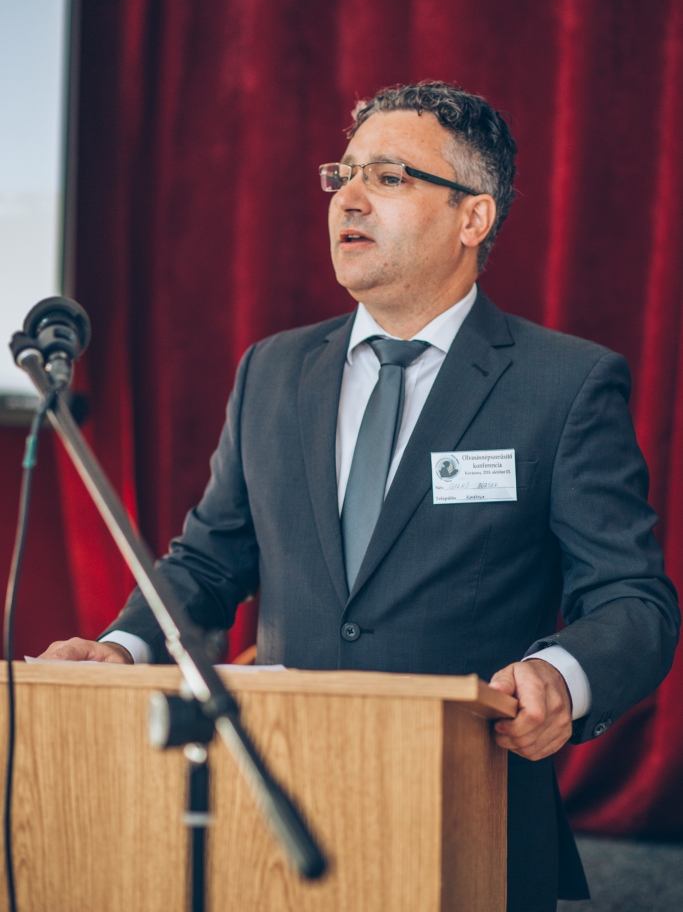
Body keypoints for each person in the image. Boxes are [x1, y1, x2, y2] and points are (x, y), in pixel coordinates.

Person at [41, 81, 680, 911]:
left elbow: (633, 599)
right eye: (342, 174)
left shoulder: (563, 384)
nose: (347, 196)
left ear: (473, 218)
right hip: (275, 817)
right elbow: (208, 563)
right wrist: (124, 647)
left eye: (387, 176)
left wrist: (560, 676)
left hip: (469, 816)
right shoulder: (273, 370)